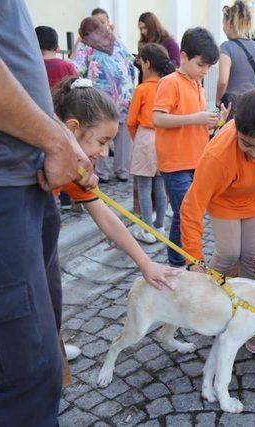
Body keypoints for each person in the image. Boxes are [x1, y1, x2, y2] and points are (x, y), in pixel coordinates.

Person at [0, 1, 96, 424]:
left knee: (40, 357)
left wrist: (57, 137)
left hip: (18, 182)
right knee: (14, 381)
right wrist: (55, 140)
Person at [181, 87, 255, 353]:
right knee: (228, 253)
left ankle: (251, 321)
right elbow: (192, 207)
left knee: (251, 257)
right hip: (223, 201)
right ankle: (207, 309)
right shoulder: (218, 155)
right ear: (237, 131)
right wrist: (193, 260)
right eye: (247, 144)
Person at [53, 77, 177, 289]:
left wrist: (145, 263)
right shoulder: (37, 156)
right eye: (102, 142)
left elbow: (107, 219)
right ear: (72, 128)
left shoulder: (77, 169)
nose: (103, 153)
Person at [153, 27, 226, 267]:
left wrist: (217, 122)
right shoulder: (170, 82)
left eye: (208, 67)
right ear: (183, 57)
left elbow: (198, 125)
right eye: (201, 65)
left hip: (196, 159)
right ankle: (178, 262)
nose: (204, 71)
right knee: (185, 214)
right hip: (175, 163)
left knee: (187, 213)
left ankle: (180, 259)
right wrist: (195, 118)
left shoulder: (197, 85)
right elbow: (158, 119)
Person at [73, 16, 136, 183]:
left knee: (99, 134)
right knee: (122, 134)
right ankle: (123, 171)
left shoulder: (85, 45)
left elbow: (76, 69)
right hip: (123, 96)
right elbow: (131, 68)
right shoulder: (117, 42)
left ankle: (102, 172)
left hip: (99, 100)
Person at [127, 44, 174, 244]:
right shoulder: (168, 86)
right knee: (160, 185)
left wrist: (137, 139)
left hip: (145, 136)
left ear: (147, 63)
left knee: (144, 186)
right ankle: (160, 226)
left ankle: (147, 229)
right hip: (164, 137)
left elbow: (130, 121)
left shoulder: (142, 89)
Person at [35, 25, 78, 211]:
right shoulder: (66, 65)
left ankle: (50, 195)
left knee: (44, 157)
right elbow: (77, 88)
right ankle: (67, 198)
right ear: (57, 46)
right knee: (65, 155)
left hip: (40, 118)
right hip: (63, 118)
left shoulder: (33, 65)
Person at [216, 0, 255, 119]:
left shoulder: (226, 47)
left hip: (231, 106)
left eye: (223, 23)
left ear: (229, 23)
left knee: (229, 137)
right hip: (253, 105)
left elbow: (223, 81)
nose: (223, 27)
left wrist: (218, 99)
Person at [136, 11, 181, 85]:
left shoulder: (170, 43)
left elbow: (175, 66)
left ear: (152, 27)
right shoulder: (143, 43)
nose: (143, 32)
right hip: (145, 86)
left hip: (164, 85)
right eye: (141, 29)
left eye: (145, 28)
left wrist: (157, 63)